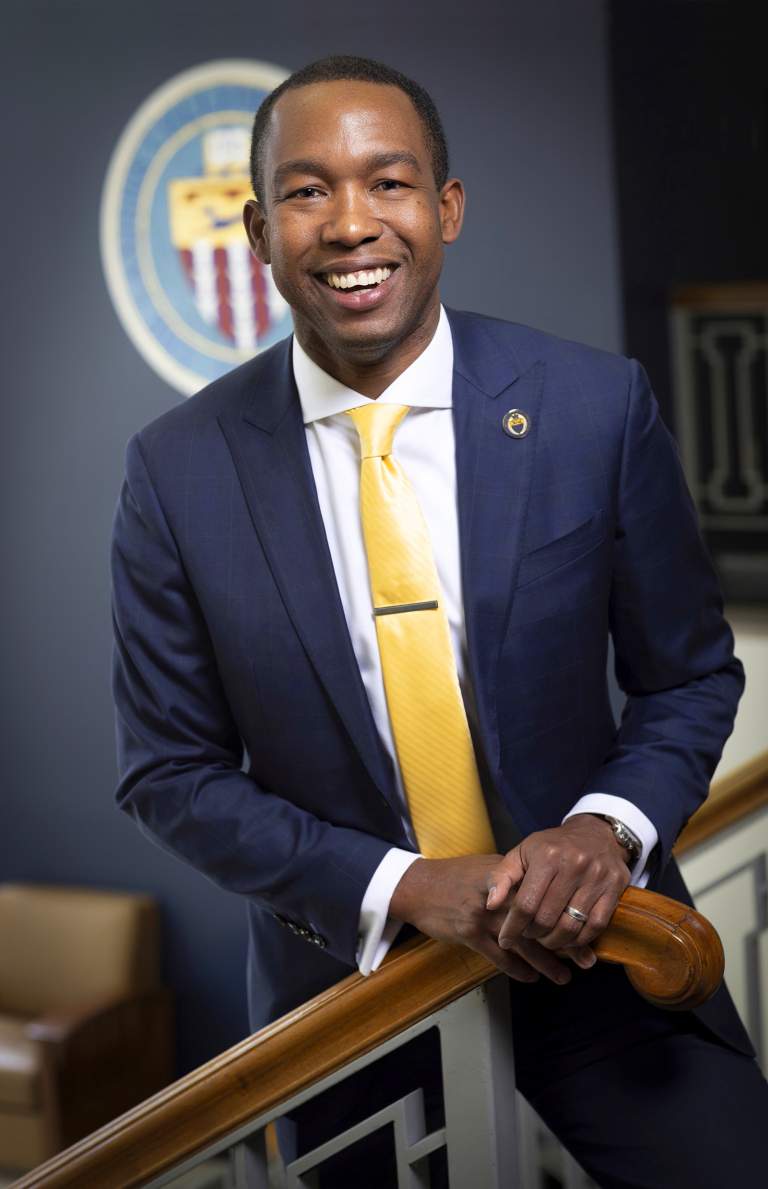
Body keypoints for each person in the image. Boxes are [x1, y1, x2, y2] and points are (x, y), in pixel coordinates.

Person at [111, 55, 768, 1187]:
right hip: (358, 1005)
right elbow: (168, 771)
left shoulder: (592, 406)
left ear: (446, 208)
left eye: (390, 182)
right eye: (309, 192)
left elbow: (689, 676)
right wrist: (404, 886)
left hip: (607, 956)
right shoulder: (175, 470)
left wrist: (603, 829)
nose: (351, 224)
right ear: (262, 233)